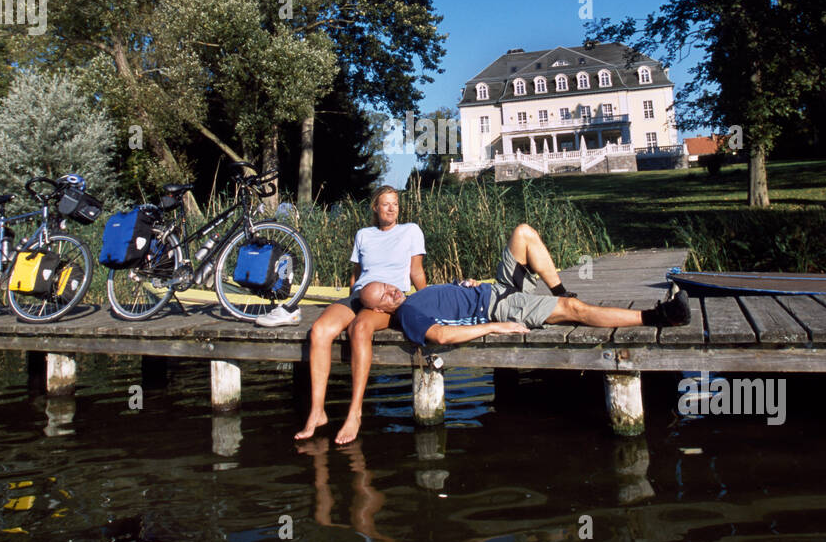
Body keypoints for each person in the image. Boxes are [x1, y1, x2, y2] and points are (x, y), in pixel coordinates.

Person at [358, 223, 691, 347]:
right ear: (379, 310)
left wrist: (464, 283)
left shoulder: (414, 297)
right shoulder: (409, 315)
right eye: (384, 295)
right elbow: (443, 336)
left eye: (386, 285)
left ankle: (560, 290)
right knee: (574, 310)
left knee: (523, 233)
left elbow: (449, 303)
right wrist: (495, 326)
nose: (391, 290)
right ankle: (660, 316)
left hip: (496, 287)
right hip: (500, 307)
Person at [292, 186, 426, 444]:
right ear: (375, 207)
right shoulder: (363, 235)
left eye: (395, 204)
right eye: (386, 204)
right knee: (319, 330)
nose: (392, 209)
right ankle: (317, 412)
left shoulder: (411, 231)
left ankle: (355, 413)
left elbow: (416, 272)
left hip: (388, 300)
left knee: (360, 328)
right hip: (359, 296)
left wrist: (427, 302)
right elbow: (356, 276)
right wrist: (349, 307)